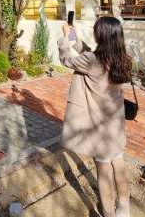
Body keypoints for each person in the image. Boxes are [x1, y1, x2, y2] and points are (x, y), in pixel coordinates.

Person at [58, 17, 131, 217]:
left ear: (102, 35)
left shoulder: (92, 61)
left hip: (99, 128)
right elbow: (90, 54)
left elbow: (66, 59)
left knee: (104, 172)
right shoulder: (121, 58)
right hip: (115, 125)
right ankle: (124, 210)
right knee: (119, 165)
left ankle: (108, 214)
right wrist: (77, 38)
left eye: (96, 30)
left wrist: (66, 38)